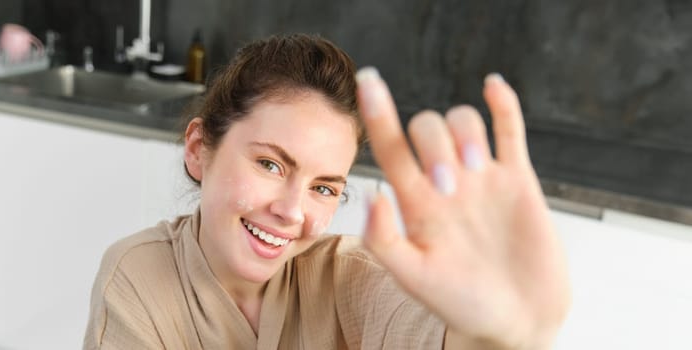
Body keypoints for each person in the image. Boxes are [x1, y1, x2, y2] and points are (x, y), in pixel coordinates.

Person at [84, 34, 571, 349]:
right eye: (270, 164)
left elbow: (438, 334)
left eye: (323, 187)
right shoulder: (137, 277)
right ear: (198, 149)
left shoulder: (351, 277)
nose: (292, 211)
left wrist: (503, 336)